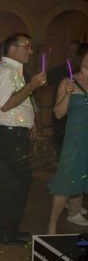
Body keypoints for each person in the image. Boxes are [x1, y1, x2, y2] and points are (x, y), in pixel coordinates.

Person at [0, 33, 47, 245]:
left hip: (15, 133)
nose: (30, 51)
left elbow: (20, 104)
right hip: (8, 134)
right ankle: (2, 233)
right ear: (12, 48)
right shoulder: (4, 71)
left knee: (19, 184)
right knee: (10, 185)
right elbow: (6, 104)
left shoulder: (15, 72)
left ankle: (9, 229)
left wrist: (31, 124)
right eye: (26, 46)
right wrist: (32, 86)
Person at [47, 43, 88, 233]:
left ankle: (74, 212)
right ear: (82, 58)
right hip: (75, 141)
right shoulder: (68, 81)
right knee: (65, 183)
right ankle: (52, 225)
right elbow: (57, 113)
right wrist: (68, 96)